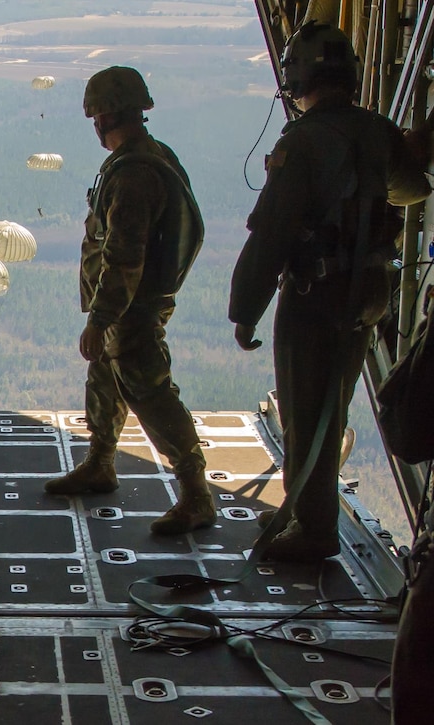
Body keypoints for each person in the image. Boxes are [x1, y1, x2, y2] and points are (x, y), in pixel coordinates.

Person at [229, 22, 431, 562]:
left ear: (298, 74)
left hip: (316, 293)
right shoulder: (377, 130)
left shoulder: (303, 142)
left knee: (304, 407)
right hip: (368, 293)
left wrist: (245, 310)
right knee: (331, 406)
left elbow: (271, 234)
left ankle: (313, 529)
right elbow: (412, 190)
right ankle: (303, 508)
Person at [44, 66, 215, 536]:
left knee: (149, 390)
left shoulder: (135, 173)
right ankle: (101, 462)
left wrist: (100, 318)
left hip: (130, 306)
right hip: (129, 304)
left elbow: (123, 256)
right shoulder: (148, 157)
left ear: (102, 118)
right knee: (105, 377)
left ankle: (196, 493)